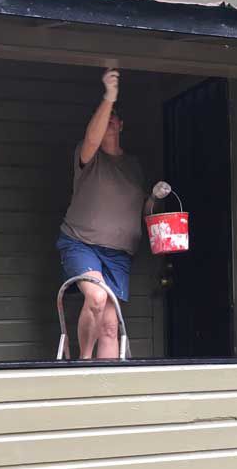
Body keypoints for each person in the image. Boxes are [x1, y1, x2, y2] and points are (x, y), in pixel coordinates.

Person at [56, 68, 152, 359]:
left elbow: (142, 209)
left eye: (114, 118)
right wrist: (109, 98)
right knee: (97, 298)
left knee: (111, 327)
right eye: (105, 117)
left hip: (119, 255)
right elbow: (92, 137)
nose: (110, 121)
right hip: (80, 243)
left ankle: (105, 387)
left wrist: (155, 199)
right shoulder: (88, 156)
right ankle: (84, 365)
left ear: (122, 125)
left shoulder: (134, 166)